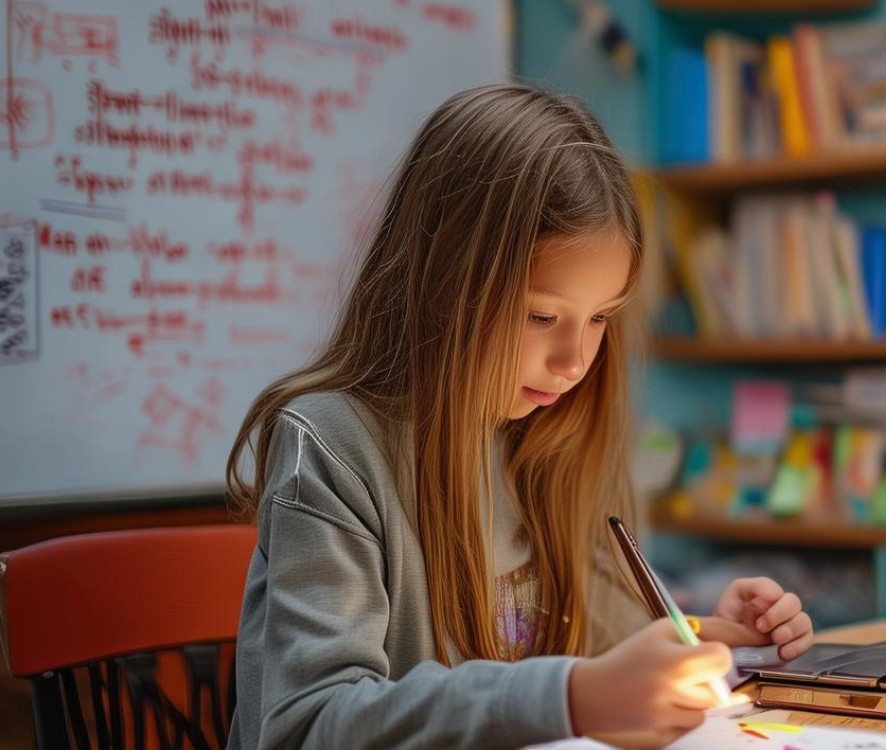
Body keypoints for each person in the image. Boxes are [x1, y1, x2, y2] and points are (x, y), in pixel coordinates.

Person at [223, 83, 815, 750]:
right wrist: (570, 698)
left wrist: (703, 633)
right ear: (444, 282)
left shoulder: (540, 436)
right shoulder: (330, 447)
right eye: (541, 315)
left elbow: (601, 643)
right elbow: (310, 724)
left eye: (600, 318)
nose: (574, 359)